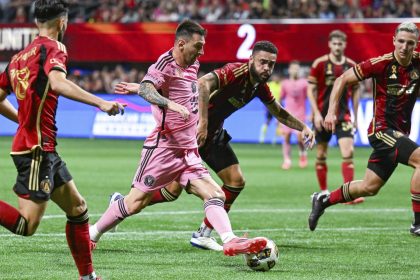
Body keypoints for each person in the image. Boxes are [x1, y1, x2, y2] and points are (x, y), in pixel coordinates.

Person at [108, 40, 315, 252]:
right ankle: (120, 204)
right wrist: (203, 124)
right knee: (170, 193)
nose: (267, 68)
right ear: (251, 59)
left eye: (271, 64)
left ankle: (203, 233)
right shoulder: (235, 71)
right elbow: (202, 84)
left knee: (235, 181)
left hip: (213, 136)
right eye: (262, 62)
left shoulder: (258, 87)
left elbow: (278, 112)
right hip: (193, 132)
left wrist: (303, 127)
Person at [89, 20, 269, 257]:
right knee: (134, 203)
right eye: (198, 46)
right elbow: (147, 88)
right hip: (164, 148)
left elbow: (174, 88)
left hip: (188, 150)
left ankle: (230, 240)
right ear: (181, 44)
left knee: (215, 194)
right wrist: (168, 102)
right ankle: (92, 233)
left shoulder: (192, 63)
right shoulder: (165, 63)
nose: (202, 51)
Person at [0, 1, 125, 279]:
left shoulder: (18, 58)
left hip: (43, 148)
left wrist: (21, 119)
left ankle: (87, 276)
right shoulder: (54, 48)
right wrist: (100, 103)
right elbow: (57, 83)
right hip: (36, 151)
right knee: (26, 225)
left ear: (36, 22)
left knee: (78, 208)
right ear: (62, 23)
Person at [308, 21, 420, 236]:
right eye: (402, 41)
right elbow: (342, 79)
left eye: (410, 43)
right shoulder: (380, 64)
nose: (405, 47)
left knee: (370, 187)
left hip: (400, 133)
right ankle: (418, 223)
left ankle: (323, 200)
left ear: (416, 45)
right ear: (394, 41)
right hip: (382, 130)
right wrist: (331, 112)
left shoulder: (417, 61)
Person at [307, 29, 364, 204]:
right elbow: (311, 90)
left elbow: (355, 92)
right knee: (321, 154)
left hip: (343, 116)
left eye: (340, 43)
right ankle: (324, 191)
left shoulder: (351, 65)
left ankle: (348, 194)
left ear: (345, 45)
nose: (337, 46)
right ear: (330, 44)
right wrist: (316, 114)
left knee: (348, 153)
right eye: (335, 43)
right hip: (323, 117)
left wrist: (355, 116)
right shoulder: (319, 64)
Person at [280, 61, 309, 169]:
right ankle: (287, 160)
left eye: (297, 68)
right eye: (293, 68)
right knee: (286, 137)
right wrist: (279, 116)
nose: (295, 70)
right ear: (289, 70)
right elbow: (280, 99)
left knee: (299, 138)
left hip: (300, 114)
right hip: (287, 114)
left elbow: (308, 97)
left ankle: (302, 155)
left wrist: (310, 114)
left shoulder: (304, 83)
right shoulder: (285, 83)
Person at [258, 73, 282, 144]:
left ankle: (275, 140)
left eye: (277, 77)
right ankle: (262, 138)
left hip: (278, 106)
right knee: (267, 121)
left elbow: (281, 97)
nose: (276, 78)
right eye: (275, 77)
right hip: (269, 106)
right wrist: (265, 107)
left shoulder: (281, 86)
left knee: (278, 123)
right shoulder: (269, 84)